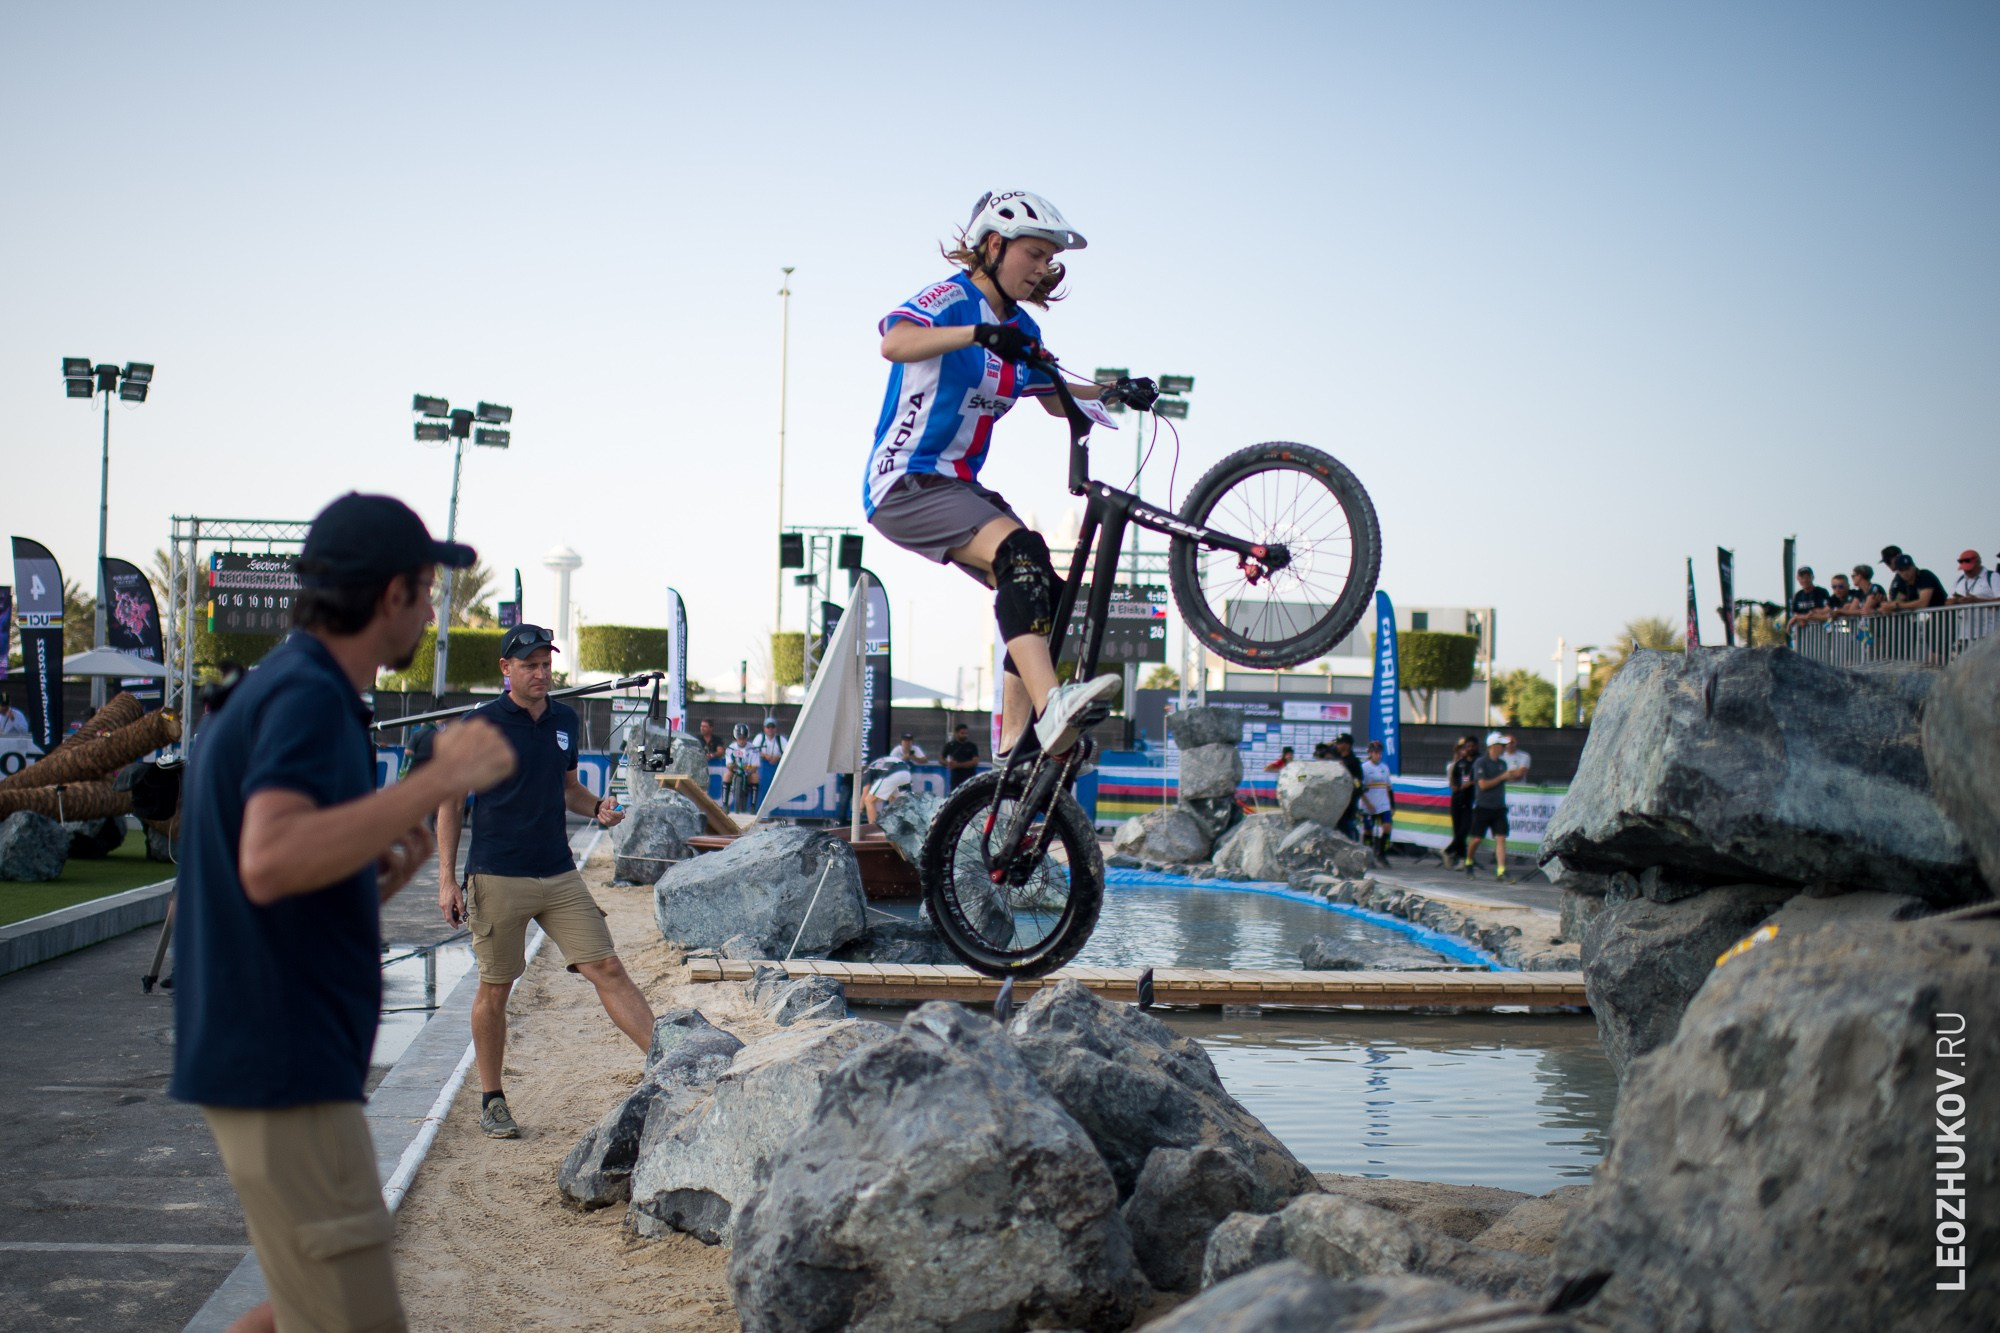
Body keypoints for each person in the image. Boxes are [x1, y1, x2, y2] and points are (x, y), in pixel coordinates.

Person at [170, 493, 518, 1333]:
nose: (434, 613)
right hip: (286, 1071)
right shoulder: (312, 695)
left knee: (299, 1312)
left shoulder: (279, 687)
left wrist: (384, 864)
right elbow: (270, 855)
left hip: (265, 1061)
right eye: (428, 593)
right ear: (389, 594)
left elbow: (288, 880)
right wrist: (438, 781)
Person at [863, 190, 1152, 761]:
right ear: (994, 245)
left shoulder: (1022, 330)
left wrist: (1116, 391)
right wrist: (979, 334)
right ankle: (1053, 707)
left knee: (1039, 582)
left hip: (958, 487)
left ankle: (1013, 750)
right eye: (1035, 254)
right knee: (1017, 551)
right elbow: (894, 342)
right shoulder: (954, 297)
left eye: (1050, 258)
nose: (1045, 269)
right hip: (906, 480)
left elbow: (1055, 397)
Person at [435, 623, 653, 1140]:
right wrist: (446, 879)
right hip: (495, 874)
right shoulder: (479, 725)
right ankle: (493, 1100)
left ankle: (663, 1061)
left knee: (607, 966)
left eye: (546, 665)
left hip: (558, 872)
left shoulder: (563, 718)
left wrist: (596, 807)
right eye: (529, 665)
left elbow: (567, 788)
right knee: (496, 987)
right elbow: (448, 801)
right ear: (505, 670)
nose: (540, 674)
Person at [1463, 732, 1512, 880]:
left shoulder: (1502, 764)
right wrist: (1502, 777)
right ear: (1493, 746)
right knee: (1476, 839)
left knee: (1501, 838)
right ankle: (1469, 861)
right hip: (1483, 807)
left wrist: (1513, 775)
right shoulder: (1481, 763)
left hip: (1499, 807)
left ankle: (1501, 870)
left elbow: (1504, 780)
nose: (1503, 748)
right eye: (1501, 745)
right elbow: (1483, 785)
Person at [1444, 736, 1479, 869]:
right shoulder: (1460, 763)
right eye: (1467, 746)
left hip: (1471, 800)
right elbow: (1453, 780)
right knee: (1458, 829)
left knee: (1465, 829)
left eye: (1472, 746)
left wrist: (1469, 784)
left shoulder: (1479, 761)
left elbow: (1477, 780)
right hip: (1457, 799)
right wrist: (1458, 786)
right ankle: (1461, 858)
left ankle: (1448, 850)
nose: (1469, 749)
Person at [1358, 741, 1395, 864]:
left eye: (1379, 753)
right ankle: (1367, 855)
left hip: (1383, 803)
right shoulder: (1364, 768)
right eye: (1375, 753)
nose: (1378, 755)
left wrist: (1392, 804)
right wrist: (1367, 803)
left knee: (1387, 827)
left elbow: (1389, 787)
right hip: (1369, 804)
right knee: (1368, 830)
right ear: (1370, 753)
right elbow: (1360, 789)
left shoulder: (1384, 768)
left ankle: (1381, 853)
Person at [1330, 733, 1365, 839]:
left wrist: (1355, 793)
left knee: (1346, 826)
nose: (1338, 745)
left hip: (1348, 801)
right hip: (1335, 799)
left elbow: (1357, 780)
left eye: (1340, 743)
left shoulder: (1353, 761)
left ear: (1347, 745)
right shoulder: (1336, 758)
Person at [723, 723, 759, 813]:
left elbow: (755, 766)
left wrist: (747, 768)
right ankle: (725, 804)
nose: (742, 741)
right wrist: (733, 766)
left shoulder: (753, 748)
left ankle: (753, 806)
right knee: (727, 775)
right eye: (740, 738)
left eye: (744, 738)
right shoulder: (731, 748)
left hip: (748, 770)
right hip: (735, 770)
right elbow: (728, 764)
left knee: (755, 777)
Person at [1785, 567, 1829, 631]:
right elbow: (1794, 613)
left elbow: (1828, 611)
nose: (1805, 580)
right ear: (1798, 579)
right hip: (1804, 634)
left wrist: (1802, 617)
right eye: (1802, 577)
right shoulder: (1797, 596)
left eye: (1807, 577)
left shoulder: (1822, 592)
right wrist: (1800, 619)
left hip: (1821, 630)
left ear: (1812, 577)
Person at [942, 723, 981, 791]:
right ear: (956, 733)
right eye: (962, 733)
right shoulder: (950, 745)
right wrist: (948, 763)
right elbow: (941, 758)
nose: (965, 735)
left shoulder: (972, 746)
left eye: (966, 733)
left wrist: (958, 765)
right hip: (956, 777)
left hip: (969, 775)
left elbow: (975, 761)